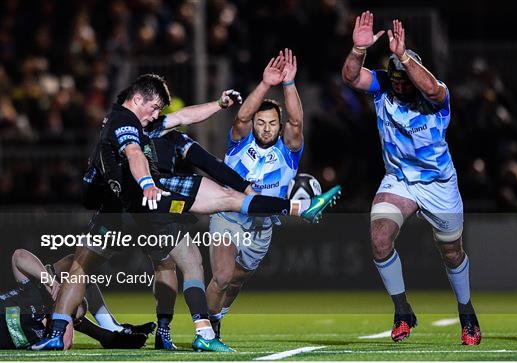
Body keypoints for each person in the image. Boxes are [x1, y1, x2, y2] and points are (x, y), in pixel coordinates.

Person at [33, 74, 340, 351]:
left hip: (115, 209)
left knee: (83, 265)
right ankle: (195, 332)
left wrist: (219, 104)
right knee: (194, 253)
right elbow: (136, 152)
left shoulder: (138, 122)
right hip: (145, 201)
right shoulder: (127, 124)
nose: (158, 116)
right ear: (138, 100)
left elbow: (182, 117)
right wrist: (147, 183)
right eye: (154, 108)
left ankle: (57, 333)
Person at [341, 11, 481, 345]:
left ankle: (466, 312)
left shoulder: (437, 99)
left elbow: (432, 88)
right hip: (399, 180)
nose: (399, 83)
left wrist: (403, 55)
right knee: (379, 239)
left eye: (405, 76)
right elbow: (350, 78)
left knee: (451, 253)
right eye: (395, 77)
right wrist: (359, 51)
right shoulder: (383, 88)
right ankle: (402, 311)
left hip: (438, 184)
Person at [204, 49, 306, 339]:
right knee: (222, 277)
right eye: (261, 123)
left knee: (235, 282)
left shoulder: (288, 153)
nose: (265, 128)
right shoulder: (238, 144)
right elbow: (241, 117)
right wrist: (265, 84)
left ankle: (217, 315)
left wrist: (288, 84)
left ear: (279, 126)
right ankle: (207, 330)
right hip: (228, 218)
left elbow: (296, 123)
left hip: (261, 228)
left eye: (272, 123)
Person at [1, 249, 153, 350]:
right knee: (78, 264)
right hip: (47, 289)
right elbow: (19, 256)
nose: (67, 310)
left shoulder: (45, 336)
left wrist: (109, 338)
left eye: (71, 315)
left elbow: (66, 343)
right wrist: (50, 282)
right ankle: (110, 326)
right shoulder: (35, 293)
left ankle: (110, 330)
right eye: (68, 306)